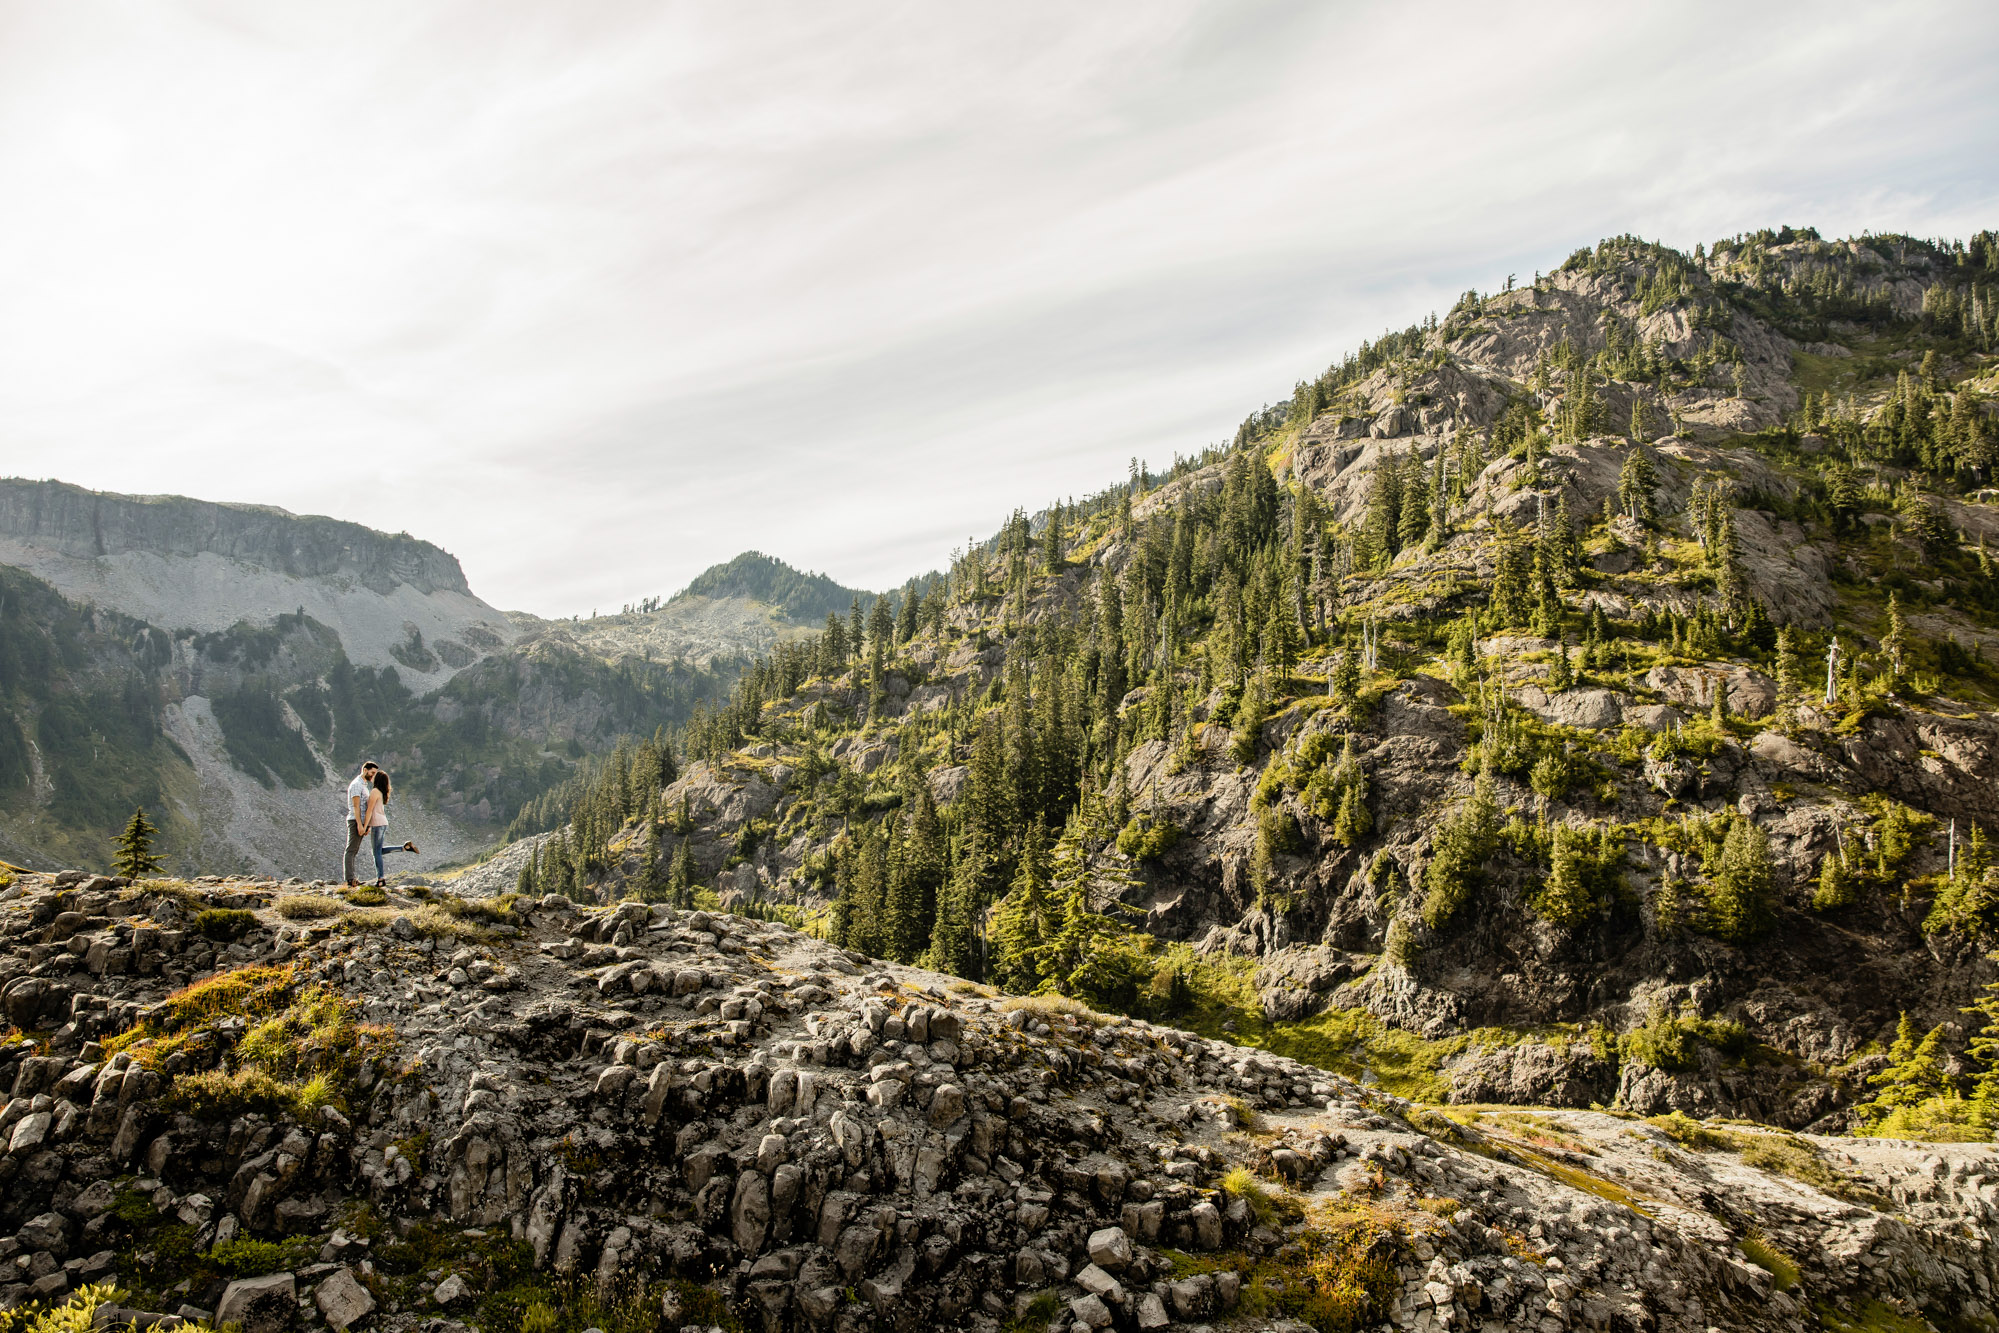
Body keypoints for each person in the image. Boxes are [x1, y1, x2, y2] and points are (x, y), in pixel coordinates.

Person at [358, 769, 420, 888]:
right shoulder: (381, 792)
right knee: (379, 850)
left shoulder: (375, 791)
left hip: (377, 823)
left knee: (376, 853)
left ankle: (381, 878)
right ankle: (404, 848)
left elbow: (370, 811)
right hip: (383, 823)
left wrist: (365, 826)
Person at [343, 761, 379, 886]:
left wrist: (366, 825)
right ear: (365, 770)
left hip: (361, 821)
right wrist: (359, 824)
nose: (373, 776)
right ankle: (350, 879)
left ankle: (352, 878)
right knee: (351, 849)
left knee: (354, 850)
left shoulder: (363, 785)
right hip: (355, 820)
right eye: (372, 773)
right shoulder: (356, 785)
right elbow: (356, 806)